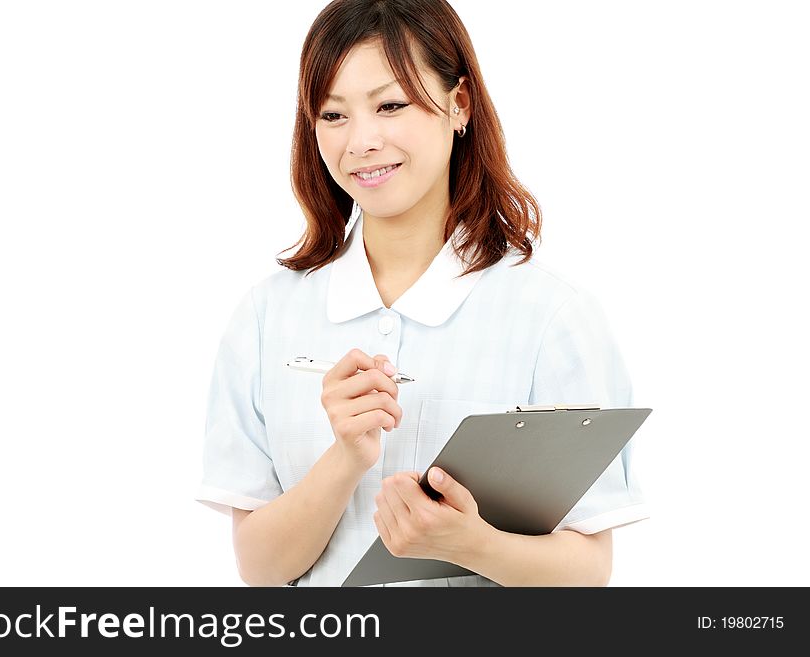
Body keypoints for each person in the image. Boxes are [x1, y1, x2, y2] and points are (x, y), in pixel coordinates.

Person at [196, 0, 648, 587]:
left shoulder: (550, 316)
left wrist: (469, 544)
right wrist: (347, 457)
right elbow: (259, 569)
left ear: (458, 104)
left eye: (391, 105)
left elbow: (588, 573)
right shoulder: (267, 316)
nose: (361, 141)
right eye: (333, 116)